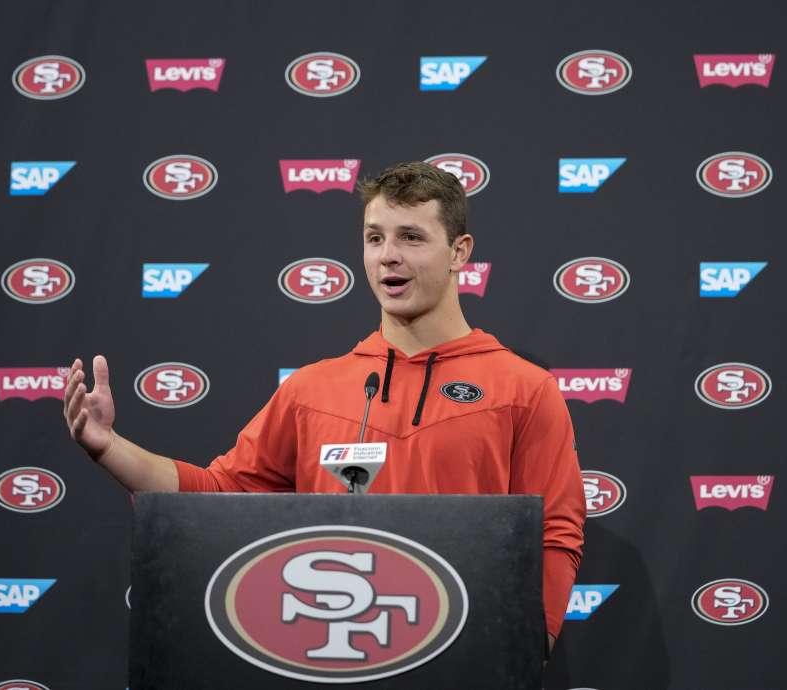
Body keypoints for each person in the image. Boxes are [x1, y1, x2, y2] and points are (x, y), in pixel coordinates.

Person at [63, 161, 585, 658]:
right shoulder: (311, 390)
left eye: (412, 237)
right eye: (375, 237)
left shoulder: (524, 389)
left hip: (464, 661)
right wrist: (110, 448)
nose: (388, 256)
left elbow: (555, 533)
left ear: (459, 252)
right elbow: (216, 497)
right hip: (329, 658)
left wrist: (523, 648)